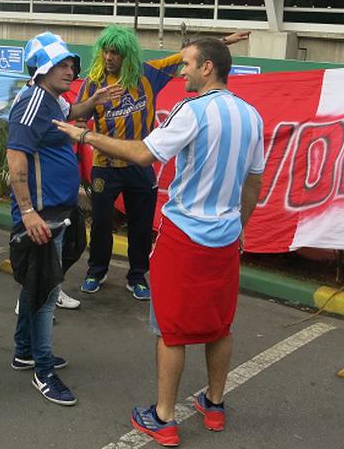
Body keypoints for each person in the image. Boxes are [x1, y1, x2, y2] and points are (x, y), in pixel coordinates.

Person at [53, 37, 265, 446]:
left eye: (188, 63)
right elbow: (253, 182)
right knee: (220, 326)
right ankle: (214, 405)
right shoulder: (251, 115)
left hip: (184, 236)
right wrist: (240, 226)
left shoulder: (192, 110)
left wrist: (85, 137)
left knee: (170, 330)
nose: (182, 70)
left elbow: (143, 154)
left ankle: (164, 417)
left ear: (207, 68)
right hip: (226, 238)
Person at [75, 25, 249, 299]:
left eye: (115, 52)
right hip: (105, 167)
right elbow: (79, 114)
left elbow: (187, 55)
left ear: (128, 54)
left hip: (141, 166)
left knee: (141, 225)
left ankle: (137, 276)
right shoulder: (93, 82)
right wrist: (82, 123)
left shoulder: (148, 74)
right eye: (105, 51)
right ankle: (96, 271)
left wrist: (225, 40)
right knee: (100, 224)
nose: (108, 57)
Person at [6, 31, 122, 407]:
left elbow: (68, 116)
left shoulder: (52, 100)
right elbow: (15, 157)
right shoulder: (33, 101)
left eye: (72, 64)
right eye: (61, 64)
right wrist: (28, 212)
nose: (70, 70)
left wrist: (92, 102)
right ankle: (43, 371)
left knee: (36, 287)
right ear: (41, 68)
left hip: (54, 212)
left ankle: (24, 352)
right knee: (45, 293)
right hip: (41, 216)